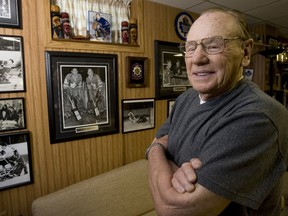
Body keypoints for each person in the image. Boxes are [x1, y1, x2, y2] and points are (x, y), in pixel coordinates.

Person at [146, 7, 288, 216]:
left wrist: (154, 152)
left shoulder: (259, 115)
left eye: (213, 45)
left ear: (246, 52)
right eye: (190, 47)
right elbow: (159, 139)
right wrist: (158, 148)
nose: (197, 58)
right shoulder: (187, 98)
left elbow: (173, 209)